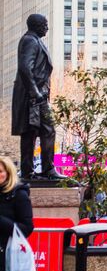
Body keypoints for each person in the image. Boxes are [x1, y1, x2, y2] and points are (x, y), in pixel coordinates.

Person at [11, 14, 60, 180]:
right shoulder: (30, 41)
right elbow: (25, 68)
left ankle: (35, 170)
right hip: (33, 95)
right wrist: (35, 93)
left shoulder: (35, 40)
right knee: (40, 130)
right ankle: (42, 170)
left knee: (35, 131)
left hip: (37, 94)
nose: (47, 27)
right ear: (37, 26)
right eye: (45, 24)